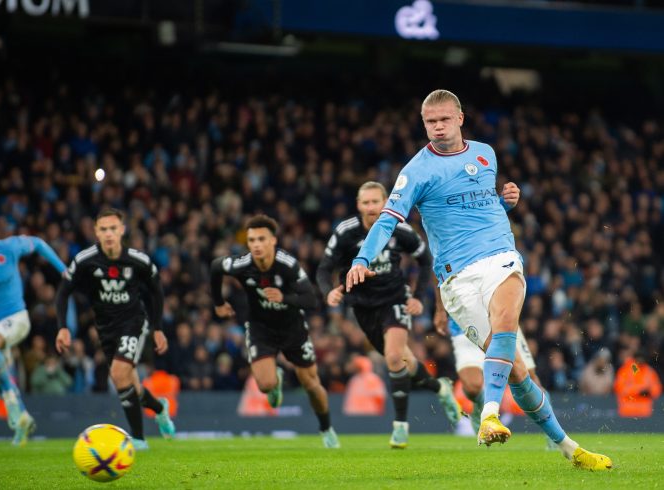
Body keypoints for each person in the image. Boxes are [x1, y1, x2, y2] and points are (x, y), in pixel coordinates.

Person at [345, 89, 611, 470]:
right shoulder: (416, 171)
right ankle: (569, 448)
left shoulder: (485, 153)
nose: (437, 127)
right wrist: (362, 257)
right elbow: (387, 219)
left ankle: (488, 415)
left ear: (459, 118)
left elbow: (480, 205)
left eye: (443, 119)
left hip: (501, 258)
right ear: (424, 124)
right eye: (430, 121)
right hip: (456, 278)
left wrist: (504, 202)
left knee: (506, 323)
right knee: (516, 372)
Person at [316, 181, 462, 448]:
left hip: (395, 300)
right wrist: (329, 292)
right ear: (358, 205)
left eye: (376, 202)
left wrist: (417, 298)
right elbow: (324, 268)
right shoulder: (346, 232)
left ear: (386, 203)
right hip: (362, 307)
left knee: (394, 357)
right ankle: (440, 388)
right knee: (404, 361)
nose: (371, 207)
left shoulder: (400, 229)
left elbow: (426, 259)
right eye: (366, 202)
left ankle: (400, 427)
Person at [210, 214, 340, 448]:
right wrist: (218, 303)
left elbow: (311, 300)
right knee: (265, 385)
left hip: (293, 329)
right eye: (251, 240)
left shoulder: (287, 265)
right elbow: (216, 267)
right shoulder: (242, 265)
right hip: (261, 329)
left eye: (261, 239)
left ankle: (326, 428)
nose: (256, 245)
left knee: (311, 384)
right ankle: (276, 379)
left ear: (272, 241)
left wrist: (285, 297)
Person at [55, 208, 175, 449]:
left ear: (122, 230)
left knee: (119, 375)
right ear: (96, 232)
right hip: (105, 328)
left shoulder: (138, 260)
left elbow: (156, 291)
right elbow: (63, 291)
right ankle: (160, 408)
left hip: (133, 322)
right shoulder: (85, 260)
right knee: (131, 385)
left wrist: (157, 327)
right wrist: (62, 327)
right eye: (103, 229)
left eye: (113, 229)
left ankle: (139, 440)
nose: (109, 234)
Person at [0, 214, 67, 445]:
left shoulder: (9, 247)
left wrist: (63, 270)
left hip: (15, 317)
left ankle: (14, 407)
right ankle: (22, 419)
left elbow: (39, 243)